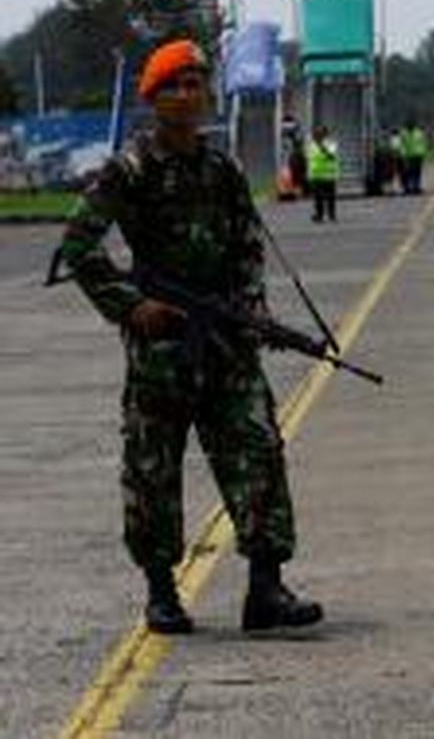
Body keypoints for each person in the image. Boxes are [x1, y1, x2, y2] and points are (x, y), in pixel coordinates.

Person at [57, 39, 323, 635]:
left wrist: (252, 306)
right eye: (174, 85)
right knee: (153, 467)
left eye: (196, 83)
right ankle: (161, 594)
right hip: (162, 347)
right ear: (153, 98)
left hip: (225, 337)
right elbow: (77, 246)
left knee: (257, 449)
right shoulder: (129, 169)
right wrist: (131, 306)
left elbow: (249, 241)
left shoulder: (222, 168)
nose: (187, 94)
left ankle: (265, 588)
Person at [307, 125, 339, 222]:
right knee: (318, 198)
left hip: (329, 175)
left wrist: (320, 145)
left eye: (319, 133)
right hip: (316, 175)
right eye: (316, 133)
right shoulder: (312, 145)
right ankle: (319, 215)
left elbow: (331, 155)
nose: (317, 135)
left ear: (325, 134)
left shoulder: (331, 144)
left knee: (330, 197)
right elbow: (310, 159)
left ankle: (332, 215)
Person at [397, 117, 429, 195]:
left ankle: (415, 187)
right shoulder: (405, 133)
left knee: (416, 172)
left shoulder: (417, 133)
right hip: (410, 156)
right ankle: (411, 188)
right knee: (410, 172)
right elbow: (402, 145)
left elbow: (424, 142)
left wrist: (424, 152)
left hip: (416, 155)